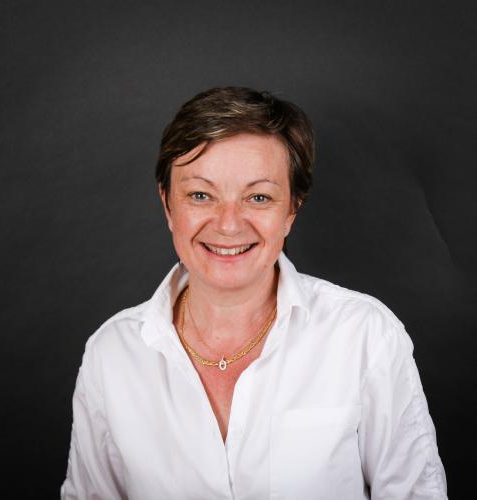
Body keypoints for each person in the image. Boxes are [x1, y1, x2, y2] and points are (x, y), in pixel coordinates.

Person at [61, 87, 447, 499]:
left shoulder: (366, 337)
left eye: (258, 197)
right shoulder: (111, 355)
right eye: (200, 195)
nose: (228, 224)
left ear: (292, 209)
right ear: (167, 204)